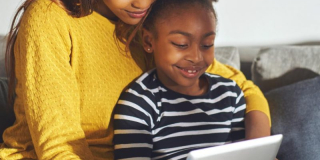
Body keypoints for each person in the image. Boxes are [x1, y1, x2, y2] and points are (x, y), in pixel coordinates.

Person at [0, 0, 269, 159]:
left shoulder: (147, 23)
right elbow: (59, 147)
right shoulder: (49, 17)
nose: (141, 3)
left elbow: (244, 88)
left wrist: (256, 151)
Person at [113, 0, 246, 159]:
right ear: (149, 41)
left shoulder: (230, 94)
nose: (196, 57)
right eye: (181, 44)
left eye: (206, 44)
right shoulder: (139, 104)